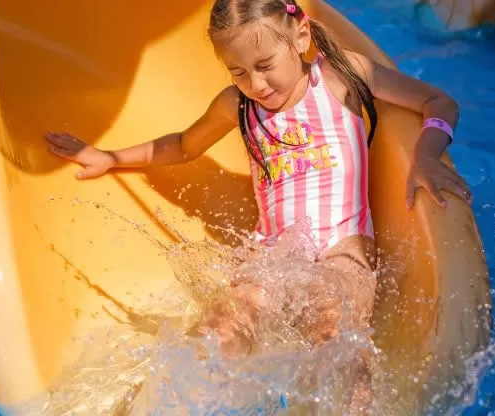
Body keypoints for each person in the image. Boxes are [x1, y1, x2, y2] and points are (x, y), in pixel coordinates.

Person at [46, 0, 470, 412]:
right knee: (221, 326)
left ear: (300, 37)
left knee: (333, 338)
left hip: (345, 251)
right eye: (238, 71)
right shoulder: (237, 105)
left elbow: (439, 103)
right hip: (272, 257)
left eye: (265, 66)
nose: (256, 84)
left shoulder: (342, 75)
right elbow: (182, 145)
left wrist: (427, 156)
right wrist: (111, 157)